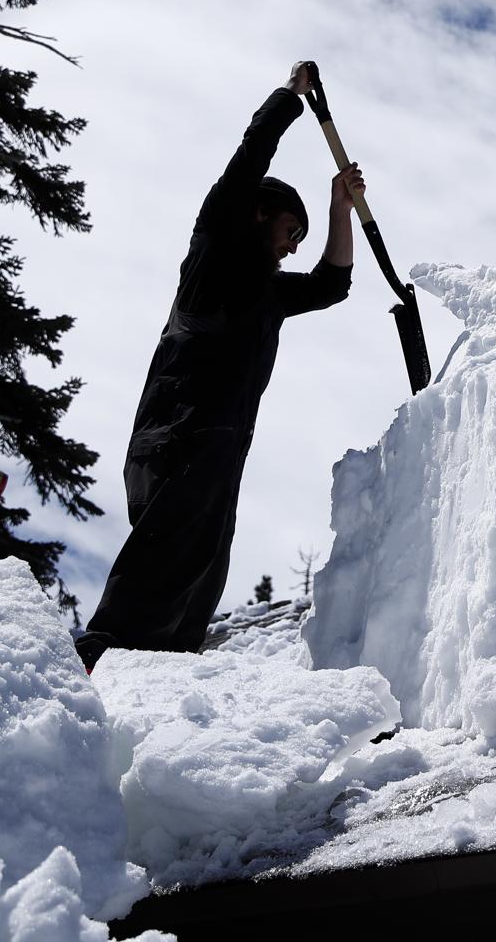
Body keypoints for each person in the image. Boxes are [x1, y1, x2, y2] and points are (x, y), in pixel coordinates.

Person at [74, 62, 361, 670]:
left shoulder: (269, 295)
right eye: (290, 230)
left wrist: (341, 206)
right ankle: (98, 661)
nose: (291, 247)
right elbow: (247, 161)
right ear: (258, 213)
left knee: (202, 568)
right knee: (163, 558)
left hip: (220, 444)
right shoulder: (214, 256)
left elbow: (333, 285)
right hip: (179, 435)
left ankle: (163, 671)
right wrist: (289, 97)